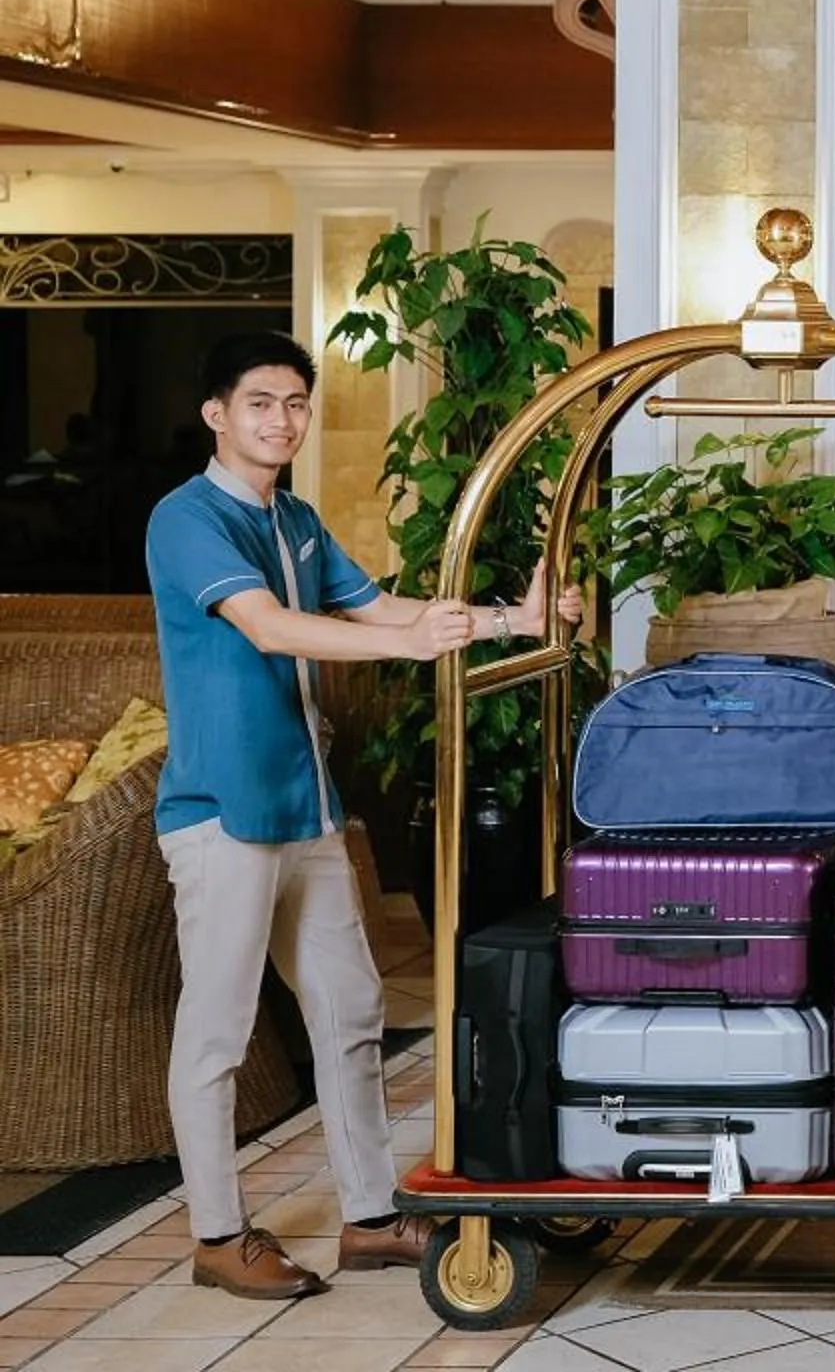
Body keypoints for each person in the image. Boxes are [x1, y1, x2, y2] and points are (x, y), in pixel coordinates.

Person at [145, 333, 581, 1300]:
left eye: (296, 403)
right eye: (262, 403)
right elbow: (267, 628)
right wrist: (410, 645)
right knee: (217, 1033)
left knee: (350, 1012)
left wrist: (511, 621)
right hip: (221, 814)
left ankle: (372, 1218)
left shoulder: (295, 518)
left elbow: (378, 606)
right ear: (217, 414)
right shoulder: (186, 519)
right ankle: (217, 1237)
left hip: (307, 807)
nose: (283, 420)